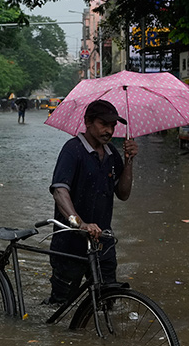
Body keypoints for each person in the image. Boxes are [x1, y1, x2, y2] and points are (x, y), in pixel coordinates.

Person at [45, 98, 139, 304]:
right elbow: (60, 191)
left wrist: (129, 161)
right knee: (62, 306)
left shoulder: (112, 153)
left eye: (113, 126)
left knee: (107, 300)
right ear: (88, 122)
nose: (109, 130)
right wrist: (79, 223)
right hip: (70, 243)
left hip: (102, 241)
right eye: (103, 124)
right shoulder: (73, 150)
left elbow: (123, 194)